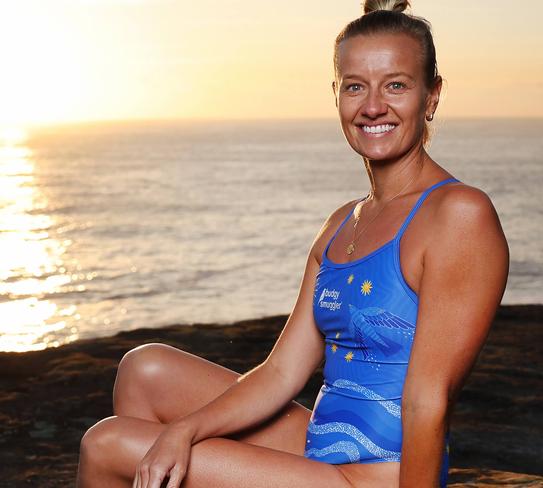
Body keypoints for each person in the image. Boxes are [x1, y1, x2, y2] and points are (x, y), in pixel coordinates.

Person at [75, 0, 509, 486]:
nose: (372, 106)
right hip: (320, 448)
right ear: (336, 95)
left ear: (432, 95)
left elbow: (429, 398)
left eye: (396, 85)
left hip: (376, 477)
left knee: (106, 443)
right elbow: (282, 373)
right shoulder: (343, 223)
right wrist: (183, 430)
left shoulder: (458, 214)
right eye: (355, 87)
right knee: (144, 369)